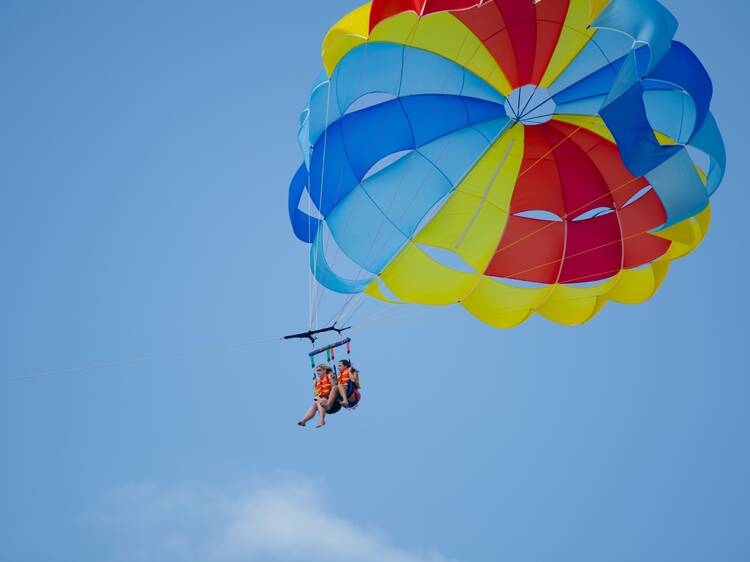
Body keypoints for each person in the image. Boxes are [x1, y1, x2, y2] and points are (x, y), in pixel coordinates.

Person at [297, 364, 336, 428]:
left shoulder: (329, 376)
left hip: (332, 402)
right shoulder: (318, 382)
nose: (318, 372)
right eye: (317, 371)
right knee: (315, 403)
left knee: (319, 401)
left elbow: (334, 387)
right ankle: (303, 421)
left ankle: (322, 420)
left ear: (325, 370)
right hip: (322, 403)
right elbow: (317, 395)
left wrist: (331, 378)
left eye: (319, 370)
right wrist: (314, 386)